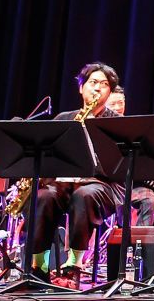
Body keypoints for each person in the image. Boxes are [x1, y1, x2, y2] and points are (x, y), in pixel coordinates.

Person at [29, 62, 123, 289]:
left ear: (110, 92)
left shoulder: (116, 124)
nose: (98, 88)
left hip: (102, 184)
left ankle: (74, 267)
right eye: (93, 83)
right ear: (81, 88)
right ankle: (38, 268)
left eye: (104, 84)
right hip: (63, 182)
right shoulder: (64, 118)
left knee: (85, 196)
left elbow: (116, 167)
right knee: (42, 197)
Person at [104, 85, 154, 227]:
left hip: (132, 186)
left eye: (121, 103)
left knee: (150, 200)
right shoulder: (100, 129)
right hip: (107, 186)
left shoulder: (134, 129)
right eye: (113, 104)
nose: (118, 107)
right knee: (120, 202)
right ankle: (121, 242)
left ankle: (139, 244)